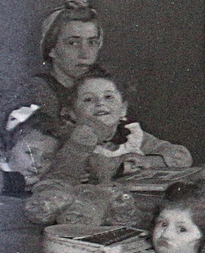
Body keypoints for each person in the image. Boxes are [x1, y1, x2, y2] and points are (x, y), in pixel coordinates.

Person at [49, 70, 192, 183]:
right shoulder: (72, 142)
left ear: (123, 110)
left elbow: (182, 156)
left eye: (108, 97)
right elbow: (81, 167)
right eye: (88, 99)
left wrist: (149, 161)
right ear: (72, 113)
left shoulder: (132, 137)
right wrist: (119, 166)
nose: (100, 103)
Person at [0, 0, 106, 125]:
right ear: (52, 49)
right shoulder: (34, 92)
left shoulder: (103, 88)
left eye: (92, 42)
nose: (85, 53)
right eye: (73, 43)